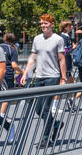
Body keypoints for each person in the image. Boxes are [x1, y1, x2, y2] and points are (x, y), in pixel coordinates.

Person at [20, 13, 68, 147]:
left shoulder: (58, 39)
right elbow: (33, 57)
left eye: (46, 23)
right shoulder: (37, 39)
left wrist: (63, 78)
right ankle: (56, 124)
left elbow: (61, 59)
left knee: (46, 109)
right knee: (39, 109)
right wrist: (25, 73)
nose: (43, 25)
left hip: (52, 77)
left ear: (52, 24)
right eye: (41, 23)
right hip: (39, 77)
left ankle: (46, 138)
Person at [0, 31, 20, 120]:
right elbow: (14, 65)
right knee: (8, 95)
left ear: (4, 38)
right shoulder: (12, 50)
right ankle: (2, 115)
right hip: (8, 74)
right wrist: (22, 71)